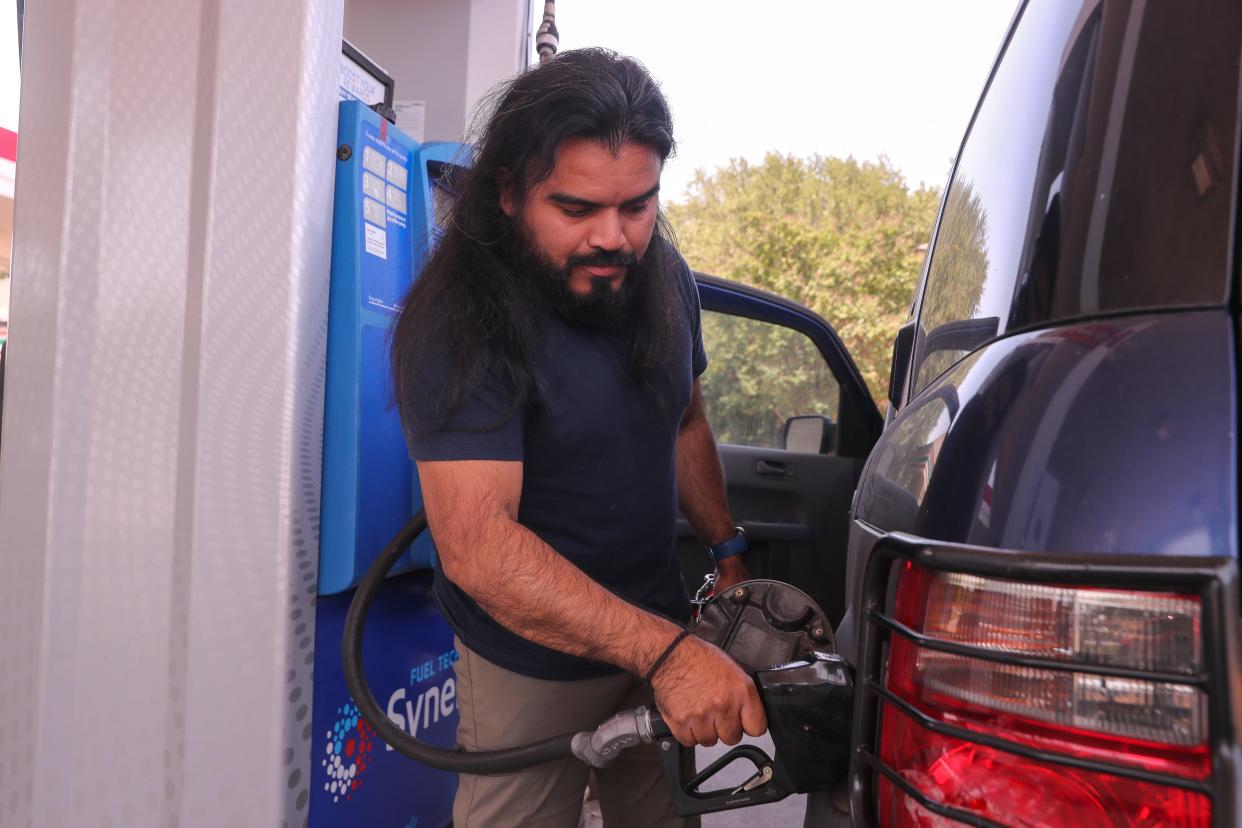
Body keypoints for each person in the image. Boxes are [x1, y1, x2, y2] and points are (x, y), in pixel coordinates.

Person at [390, 48, 766, 828]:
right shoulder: (459, 320)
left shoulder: (663, 275)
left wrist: (727, 555)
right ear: (507, 191)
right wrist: (668, 654)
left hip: (660, 623)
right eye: (576, 209)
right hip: (532, 658)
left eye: (637, 205)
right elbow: (479, 548)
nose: (614, 238)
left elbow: (686, 419)